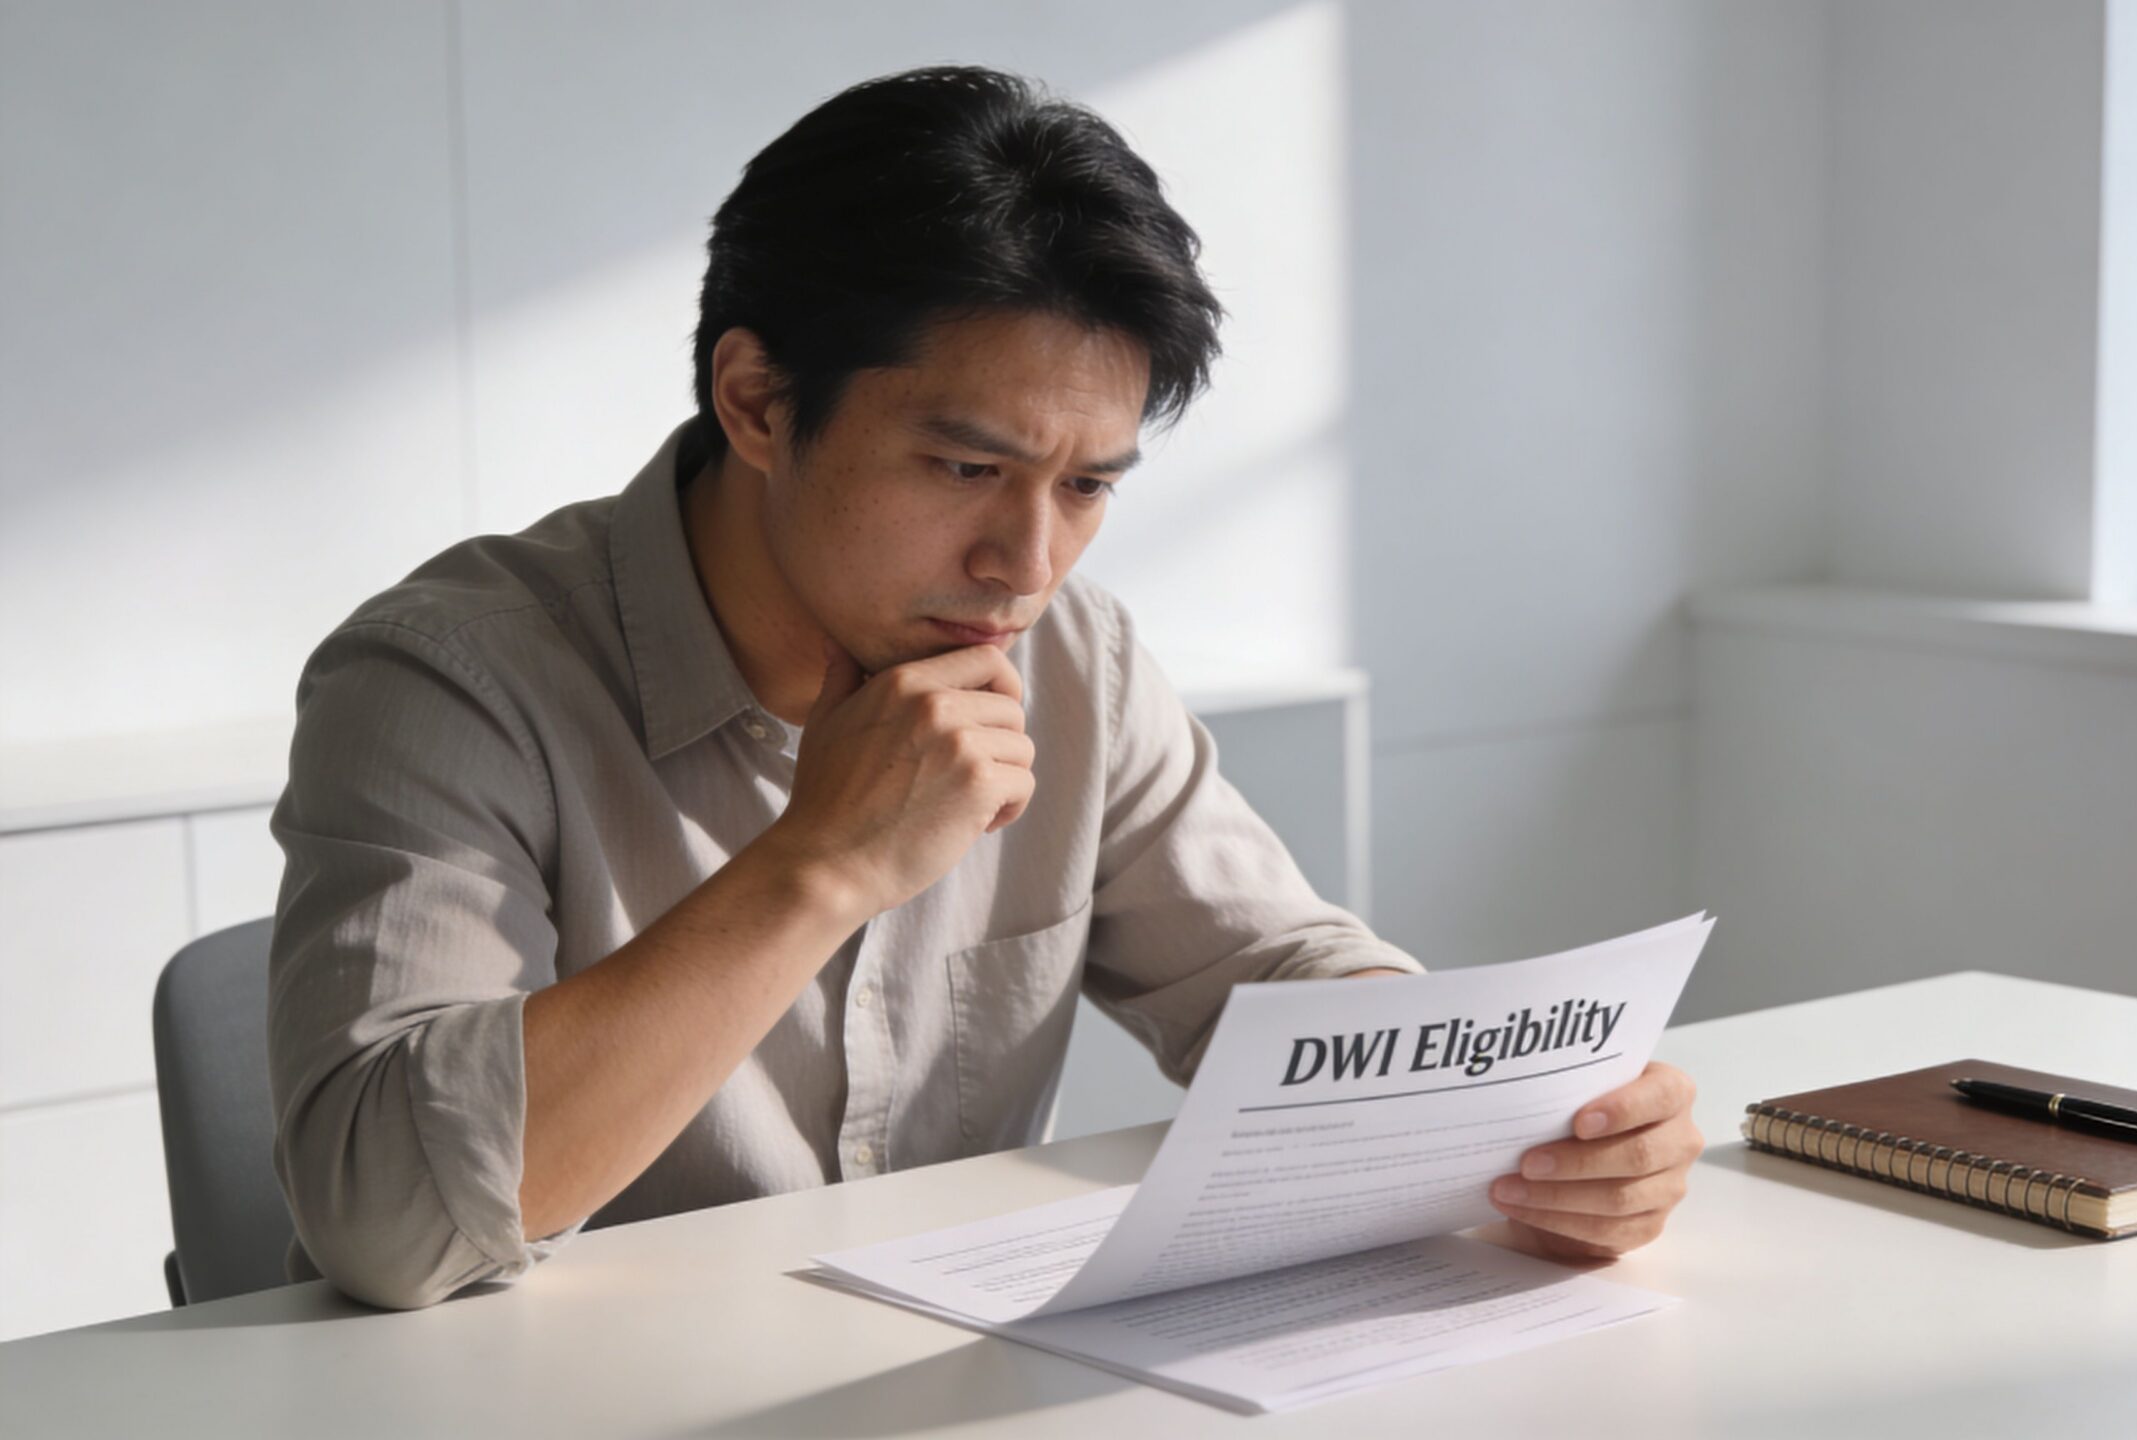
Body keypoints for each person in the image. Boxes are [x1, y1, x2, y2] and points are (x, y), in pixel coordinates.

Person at [266, 64, 1705, 1311]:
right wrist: (821, 866)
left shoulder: (1074, 656)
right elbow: (386, 1222)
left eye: (1087, 487)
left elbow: (1277, 979)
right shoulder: (450, 678)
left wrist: (1523, 1121)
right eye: (965, 467)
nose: (1027, 562)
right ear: (755, 399)